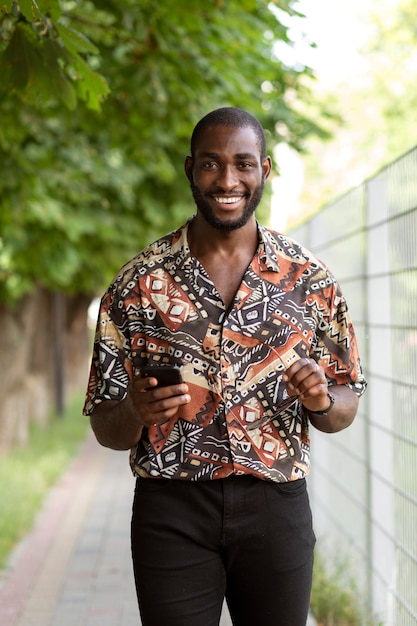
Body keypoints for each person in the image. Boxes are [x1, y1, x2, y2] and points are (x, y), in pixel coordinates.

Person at [83, 107, 367, 626]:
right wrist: (135, 409)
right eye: (212, 164)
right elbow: (106, 426)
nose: (228, 179)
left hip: (276, 508)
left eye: (243, 164)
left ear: (266, 169)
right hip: (171, 512)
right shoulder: (137, 284)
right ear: (190, 169)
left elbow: (345, 405)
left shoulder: (309, 280)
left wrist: (321, 400)